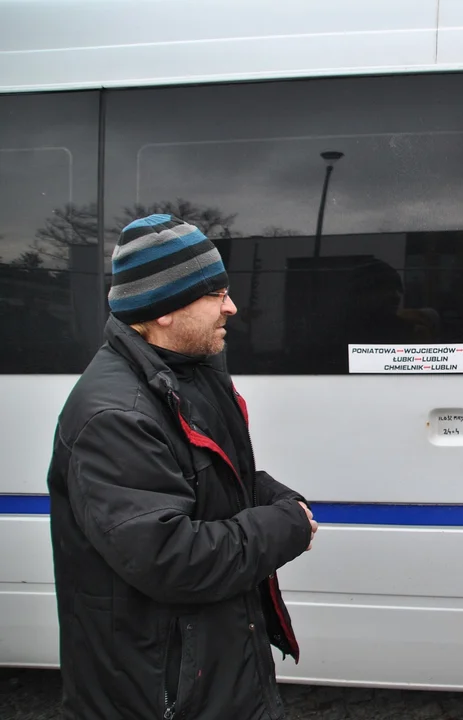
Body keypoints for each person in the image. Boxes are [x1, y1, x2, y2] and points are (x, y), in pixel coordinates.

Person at [46, 214, 318, 720]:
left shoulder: (189, 372)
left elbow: (219, 475)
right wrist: (286, 527)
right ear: (164, 309)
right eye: (216, 294)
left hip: (205, 675)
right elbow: (171, 559)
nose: (232, 308)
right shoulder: (113, 417)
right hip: (158, 694)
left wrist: (278, 497)